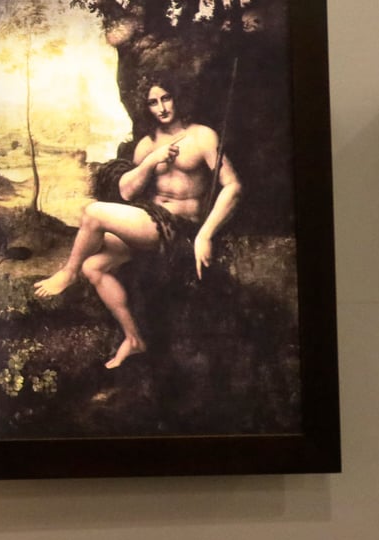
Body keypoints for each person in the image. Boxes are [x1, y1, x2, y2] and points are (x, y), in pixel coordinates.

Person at [33, 73, 242, 368]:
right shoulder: (146, 144)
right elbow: (127, 193)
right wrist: (150, 160)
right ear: (146, 107)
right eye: (153, 102)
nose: (161, 108)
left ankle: (68, 272)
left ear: (177, 97)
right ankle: (134, 340)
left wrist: (205, 235)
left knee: (92, 213)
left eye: (166, 98)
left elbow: (233, 186)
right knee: (94, 267)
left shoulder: (202, 136)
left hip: (178, 228)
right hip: (150, 220)